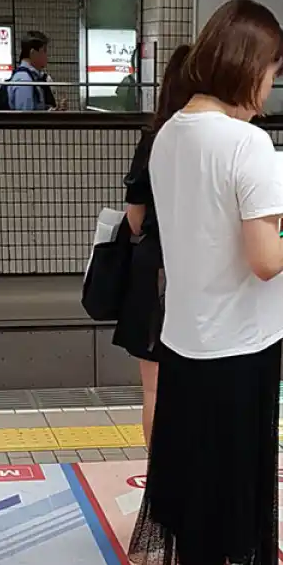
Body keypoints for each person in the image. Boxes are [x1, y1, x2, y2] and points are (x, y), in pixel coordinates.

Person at [128, 0, 283, 565]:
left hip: (186, 337)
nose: (271, 87)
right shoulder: (246, 143)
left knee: (192, 476)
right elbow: (265, 260)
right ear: (249, 65)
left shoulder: (171, 132)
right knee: (225, 482)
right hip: (240, 345)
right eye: (272, 71)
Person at [113, 45, 191, 446]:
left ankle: (159, 473)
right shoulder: (228, 141)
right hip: (200, 273)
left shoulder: (155, 139)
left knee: (154, 388)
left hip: (155, 269)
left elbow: (134, 219)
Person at [0, 32, 57, 111]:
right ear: (33, 53)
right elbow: (26, 116)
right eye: (44, 51)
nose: (47, 55)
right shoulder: (24, 80)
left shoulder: (32, 77)